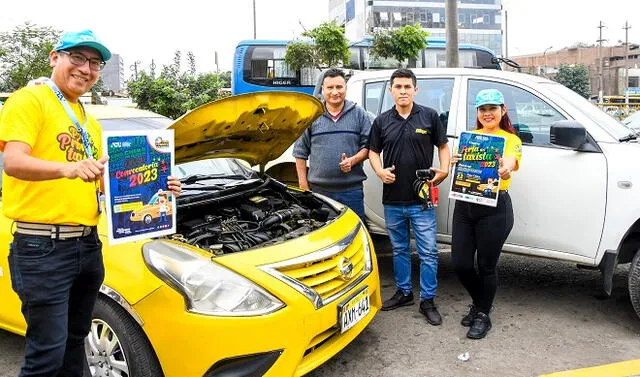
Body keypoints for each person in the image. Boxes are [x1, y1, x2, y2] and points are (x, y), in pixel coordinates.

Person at [0, 30, 182, 377]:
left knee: (75, 343)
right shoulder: (29, 101)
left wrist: (159, 187)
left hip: (86, 246)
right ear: (55, 57)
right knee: (47, 354)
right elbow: (14, 162)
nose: (87, 68)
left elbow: (109, 183)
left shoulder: (90, 121)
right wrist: (67, 169)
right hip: (42, 246)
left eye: (95, 63)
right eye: (78, 58)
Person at [368, 68, 450, 325]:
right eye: (398, 87)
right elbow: (373, 151)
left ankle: (428, 299)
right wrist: (380, 171)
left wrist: (444, 170)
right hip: (392, 199)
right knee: (399, 249)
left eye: (407, 86)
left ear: (416, 90)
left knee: (427, 252)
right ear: (390, 90)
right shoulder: (381, 121)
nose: (403, 91)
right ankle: (404, 292)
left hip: (422, 199)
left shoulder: (429, 116)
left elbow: (443, 146)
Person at [450, 88, 522, 339]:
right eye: (483, 109)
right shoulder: (470, 139)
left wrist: (505, 169)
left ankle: (482, 314)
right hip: (464, 205)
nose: (487, 113)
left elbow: (511, 159)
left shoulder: (510, 139)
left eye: (493, 108)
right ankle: (482, 303)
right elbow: (463, 168)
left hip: (494, 210)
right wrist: (455, 161)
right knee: (460, 263)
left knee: (486, 266)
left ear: (502, 111)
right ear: (478, 113)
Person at [293, 68, 373, 221]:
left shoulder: (359, 113)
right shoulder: (312, 115)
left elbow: (368, 147)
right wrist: (303, 186)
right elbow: (300, 152)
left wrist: (353, 160)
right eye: (330, 88)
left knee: (353, 230)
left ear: (345, 88)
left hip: (352, 191)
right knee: (322, 234)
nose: (335, 92)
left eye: (339, 87)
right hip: (319, 192)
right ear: (323, 89)